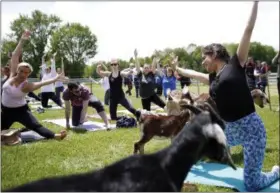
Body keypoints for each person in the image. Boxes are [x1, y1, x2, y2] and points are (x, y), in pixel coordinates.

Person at [170, 2, 279, 191]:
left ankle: (276, 172)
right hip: (231, 129)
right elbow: (191, 73)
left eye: (205, 57)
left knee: (252, 185)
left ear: (214, 54)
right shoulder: (212, 78)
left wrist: (255, 2)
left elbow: (248, 29)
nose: (203, 62)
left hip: (252, 129)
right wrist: (176, 68)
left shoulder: (236, 64)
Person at [1, 30, 67, 141]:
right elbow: (15, 56)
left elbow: (42, 83)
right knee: (2, 130)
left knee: (35, 126)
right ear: (17, 70)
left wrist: (55, 78)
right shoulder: (12, 75)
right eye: (21, 71)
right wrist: (22, 40)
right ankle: (15, 133)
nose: (23, 74)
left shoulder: (26, 86)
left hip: (21, 110)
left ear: (29, 74)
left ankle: (56, 136)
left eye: (26, 73)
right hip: (5, 110)